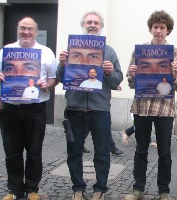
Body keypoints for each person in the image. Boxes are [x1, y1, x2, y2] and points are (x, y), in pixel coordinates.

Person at [56, 11, 123, 200]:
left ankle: (100, 189)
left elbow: (118, 79)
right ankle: (78, 188)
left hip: (100, 109)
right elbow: (61, 78)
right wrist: (62, 64)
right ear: (83, 25)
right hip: (75, 109)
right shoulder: (70, 49)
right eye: (89, 22)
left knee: (102, 152)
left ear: (101, 26)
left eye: (96, 22)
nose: (92, 25)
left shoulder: (109, 51)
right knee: (74, 152)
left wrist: (110, 73)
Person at [0, 17, 57, 200]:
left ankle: (32, 189)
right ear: (18, 29)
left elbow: (54, 78)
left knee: (34, 152)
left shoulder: (46, 52)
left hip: (35, 110)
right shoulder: (7, 50)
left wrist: (47, 84)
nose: (26, 32)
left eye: (30, 29)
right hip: (10, 109)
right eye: (22, 28)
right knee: (12, 152)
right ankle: (15, 190)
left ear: (36, 31)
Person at [126, 10, 177, 200]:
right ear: (151, 29)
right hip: (142, 108)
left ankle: (164, 191)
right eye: (156, 27)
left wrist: (176, 74)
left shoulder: (175, 53)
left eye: (162, 27)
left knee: (164, 153)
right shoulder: (139, 51)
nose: (159, 30)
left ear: (168, 30)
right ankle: (138, 189)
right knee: (140, 150)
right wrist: (132, 74)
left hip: (164, 110)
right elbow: (130, 82)